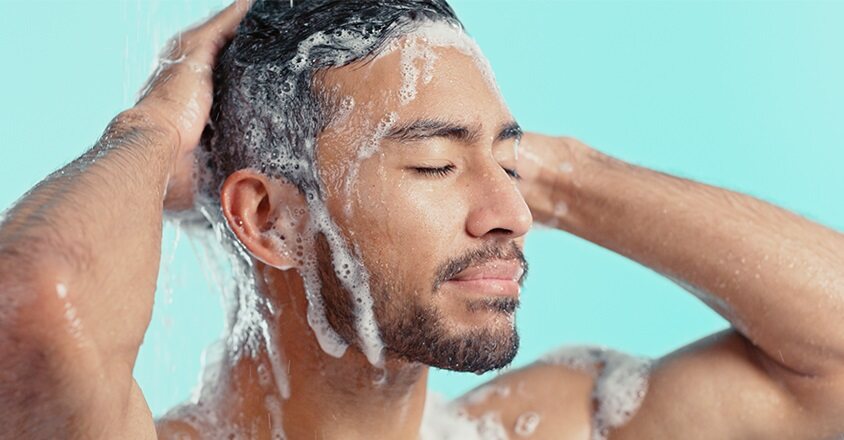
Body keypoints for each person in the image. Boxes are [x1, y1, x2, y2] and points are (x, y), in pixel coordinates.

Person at [1, 0, 842, 439]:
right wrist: (152, 129)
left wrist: (565, 178)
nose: (510, 213)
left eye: (508, 165)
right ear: (268, 219)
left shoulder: (556, 427)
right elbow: (33, 303)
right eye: (435, 164)